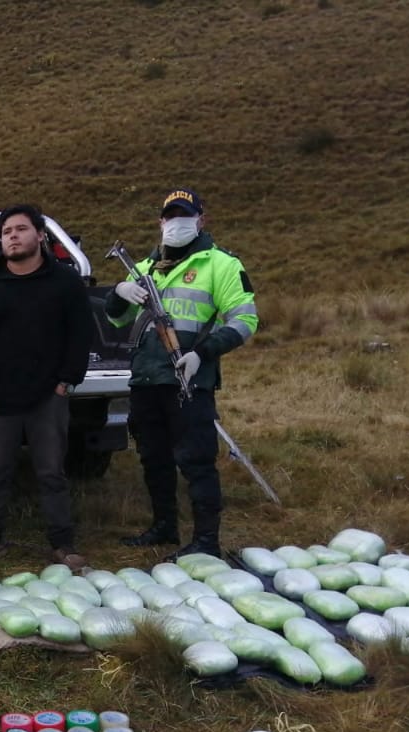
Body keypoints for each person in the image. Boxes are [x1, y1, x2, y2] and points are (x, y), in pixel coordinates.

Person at [106, 188, 258, 559]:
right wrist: (119, 292)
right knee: (153, 457)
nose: (177, 222)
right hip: (146, 379)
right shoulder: (143, 267)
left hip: (189, 379)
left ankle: (207, 540)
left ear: (201, 220)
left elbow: (246, 319)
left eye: (184, 215)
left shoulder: (220, 265)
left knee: (196, 459)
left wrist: (201, 354)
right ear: (161, 222)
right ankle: (164, 527)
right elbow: (116, 317)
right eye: (170, 215)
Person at [0, 204, 92, 572]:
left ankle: (62, 545)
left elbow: (80, 334)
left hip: (48, 397)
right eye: (6, 232)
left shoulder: (64, 281)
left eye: (20, 229)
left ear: (39, 235)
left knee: (52, 472)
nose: (12, 236)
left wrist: (67, 381)